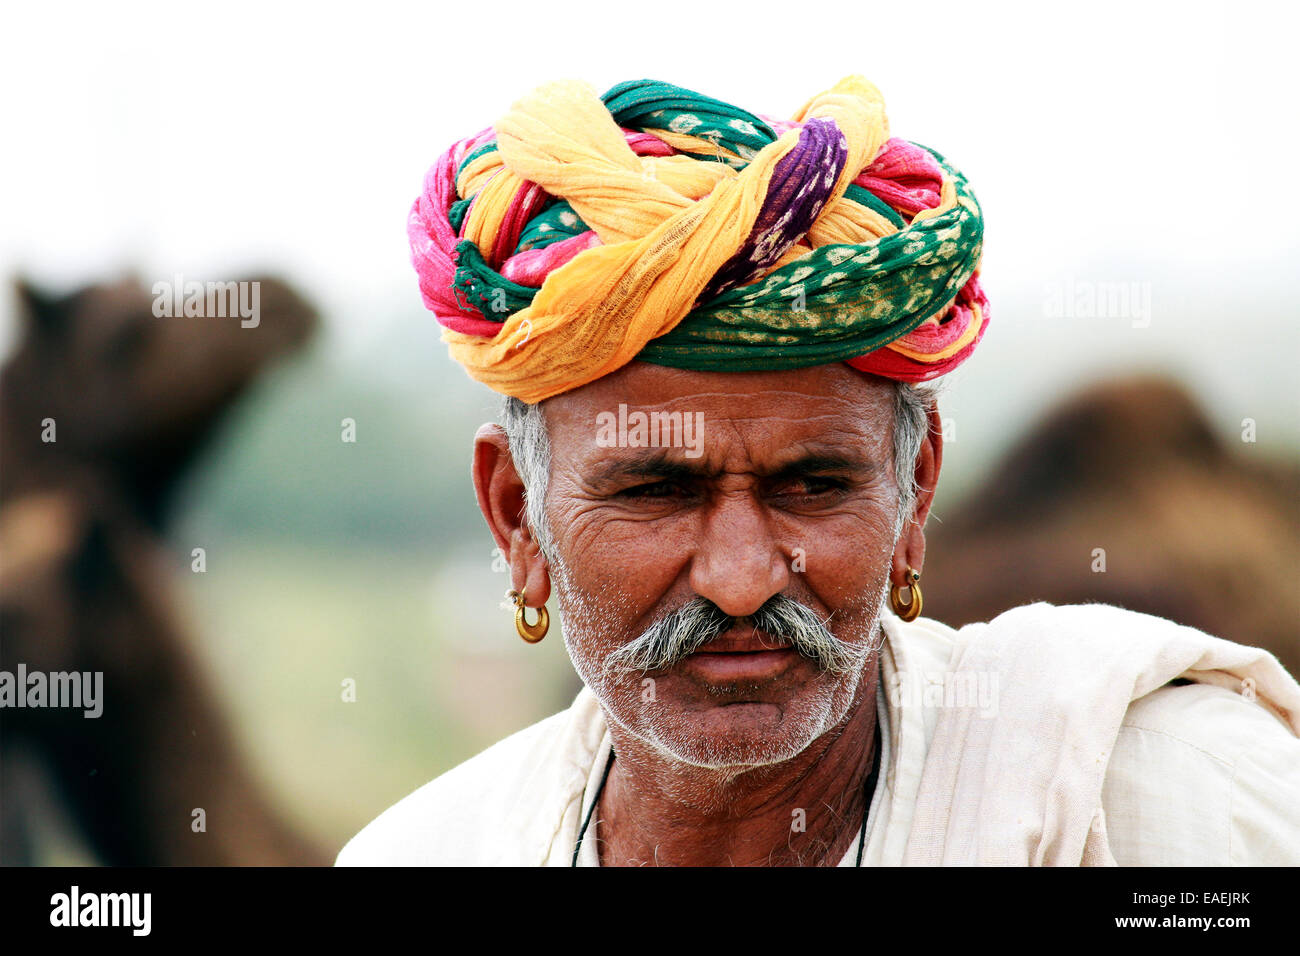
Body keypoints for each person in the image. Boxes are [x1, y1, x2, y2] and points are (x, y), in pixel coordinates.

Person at [337, 75, 1300, 866]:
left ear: (914, 491)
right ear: (517, 517)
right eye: (655, 492)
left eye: (813, 486)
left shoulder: (1174, 811)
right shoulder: (425, 855)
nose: (744, 577)